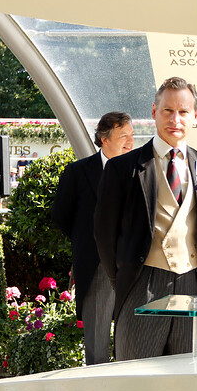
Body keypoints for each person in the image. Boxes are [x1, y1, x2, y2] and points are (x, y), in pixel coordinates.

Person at [94, 77, 197, 360]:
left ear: (195, 116)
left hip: (193, 284)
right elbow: (104, 234)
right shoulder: (121, 168)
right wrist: (125, 278)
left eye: (183, 112)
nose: (176, 119)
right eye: (167, 111)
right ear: (153, 111)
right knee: (136, 379)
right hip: (143, 283)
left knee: (190, 378)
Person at [52, 111, 134, 364]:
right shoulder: (78, 172)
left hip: (134, 267)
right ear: (104, 139)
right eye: (124, 137)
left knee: (132, 341)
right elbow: (61, 216)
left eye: (132, 136)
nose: (130, 143)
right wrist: (87, 243)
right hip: (97, 267)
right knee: (96, 348)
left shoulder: (141, 170)